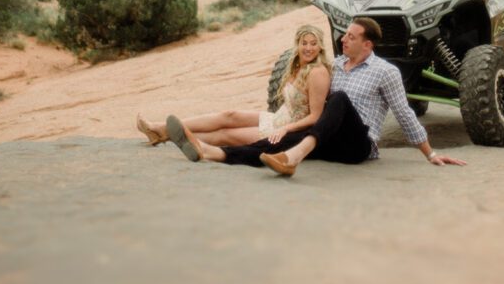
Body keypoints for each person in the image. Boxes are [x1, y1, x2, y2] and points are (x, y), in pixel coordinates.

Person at [166, 16, 466, 176]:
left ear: (368, 44)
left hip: (359, 146)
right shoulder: (334, 64)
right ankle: (213, 153)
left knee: (339, 101)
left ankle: (294, 157)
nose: (343, 39)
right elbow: (307, 84)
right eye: (344, 35)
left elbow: (404, 112)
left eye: (351, 36)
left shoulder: (384, 72)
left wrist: (430, 153)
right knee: (277, 141)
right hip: (327, 139)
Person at [137, 24, 331, 149]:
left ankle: (167, 136)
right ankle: (160, 128)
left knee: (224, 136)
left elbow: (315, 117)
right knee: (228, 115)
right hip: (277, 119)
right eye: (304, 43)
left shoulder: (318, 73)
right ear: (297, 44)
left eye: (313, 43)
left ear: (320, 46)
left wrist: (286, 129)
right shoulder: (298, 66)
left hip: (289, 133)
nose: (308, 48)